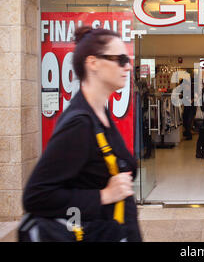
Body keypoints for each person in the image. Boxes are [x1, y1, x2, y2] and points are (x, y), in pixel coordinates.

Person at [22, 26, 142, 241]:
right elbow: (36, 196)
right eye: (120, 59)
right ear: (93, 63)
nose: (127, 66)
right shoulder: (80, 123)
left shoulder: (98, 112)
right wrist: (104, 195)